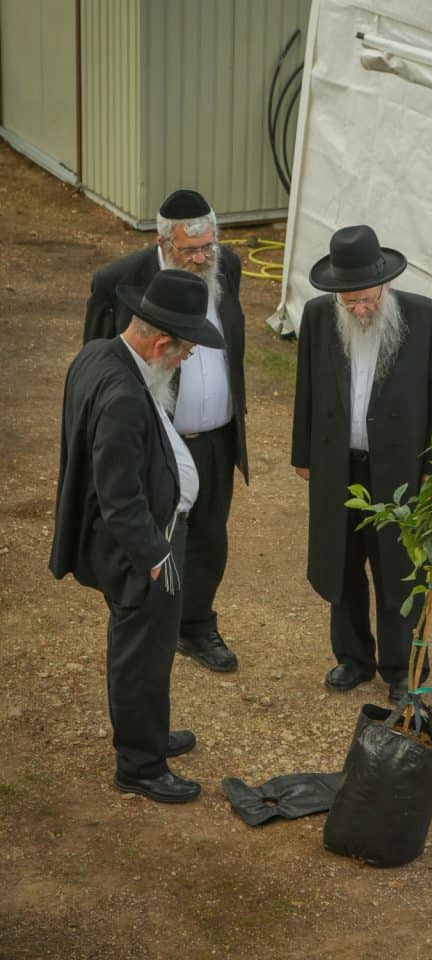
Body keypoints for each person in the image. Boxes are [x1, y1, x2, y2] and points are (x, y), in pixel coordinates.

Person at [50, 271, 226, 802]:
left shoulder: (99, 353)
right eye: (185, 349)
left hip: (137, 541)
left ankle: (147, 733)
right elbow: (119, 496)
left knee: (145, 651)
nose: (188, 359)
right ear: (158, 343)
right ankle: (140, 766)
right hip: (139, 548)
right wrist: (155, 556)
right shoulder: (125, 396)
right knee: (141, 655)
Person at [83, 189, 248, 673]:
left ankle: (196, 626)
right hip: (159, 441)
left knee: (210, 539)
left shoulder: (227, 266)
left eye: (207, 248)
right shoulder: (118, 281)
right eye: (188, 250)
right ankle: (154, 624)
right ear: (161, 242)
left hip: (217, 435)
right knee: (158, 537)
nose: (200, 258)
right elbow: (98, 361)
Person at [292, 224, 432, 704]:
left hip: (402, 471)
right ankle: (352, 657)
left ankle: (403, 669)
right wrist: (303, 455)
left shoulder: (425, 318)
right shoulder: (320, 317)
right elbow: (306, 388)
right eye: (351, 302)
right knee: (340, 564)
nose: (360, 310)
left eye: (366, 299)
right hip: (337, 467)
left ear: (385, 284)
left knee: (398, 568)